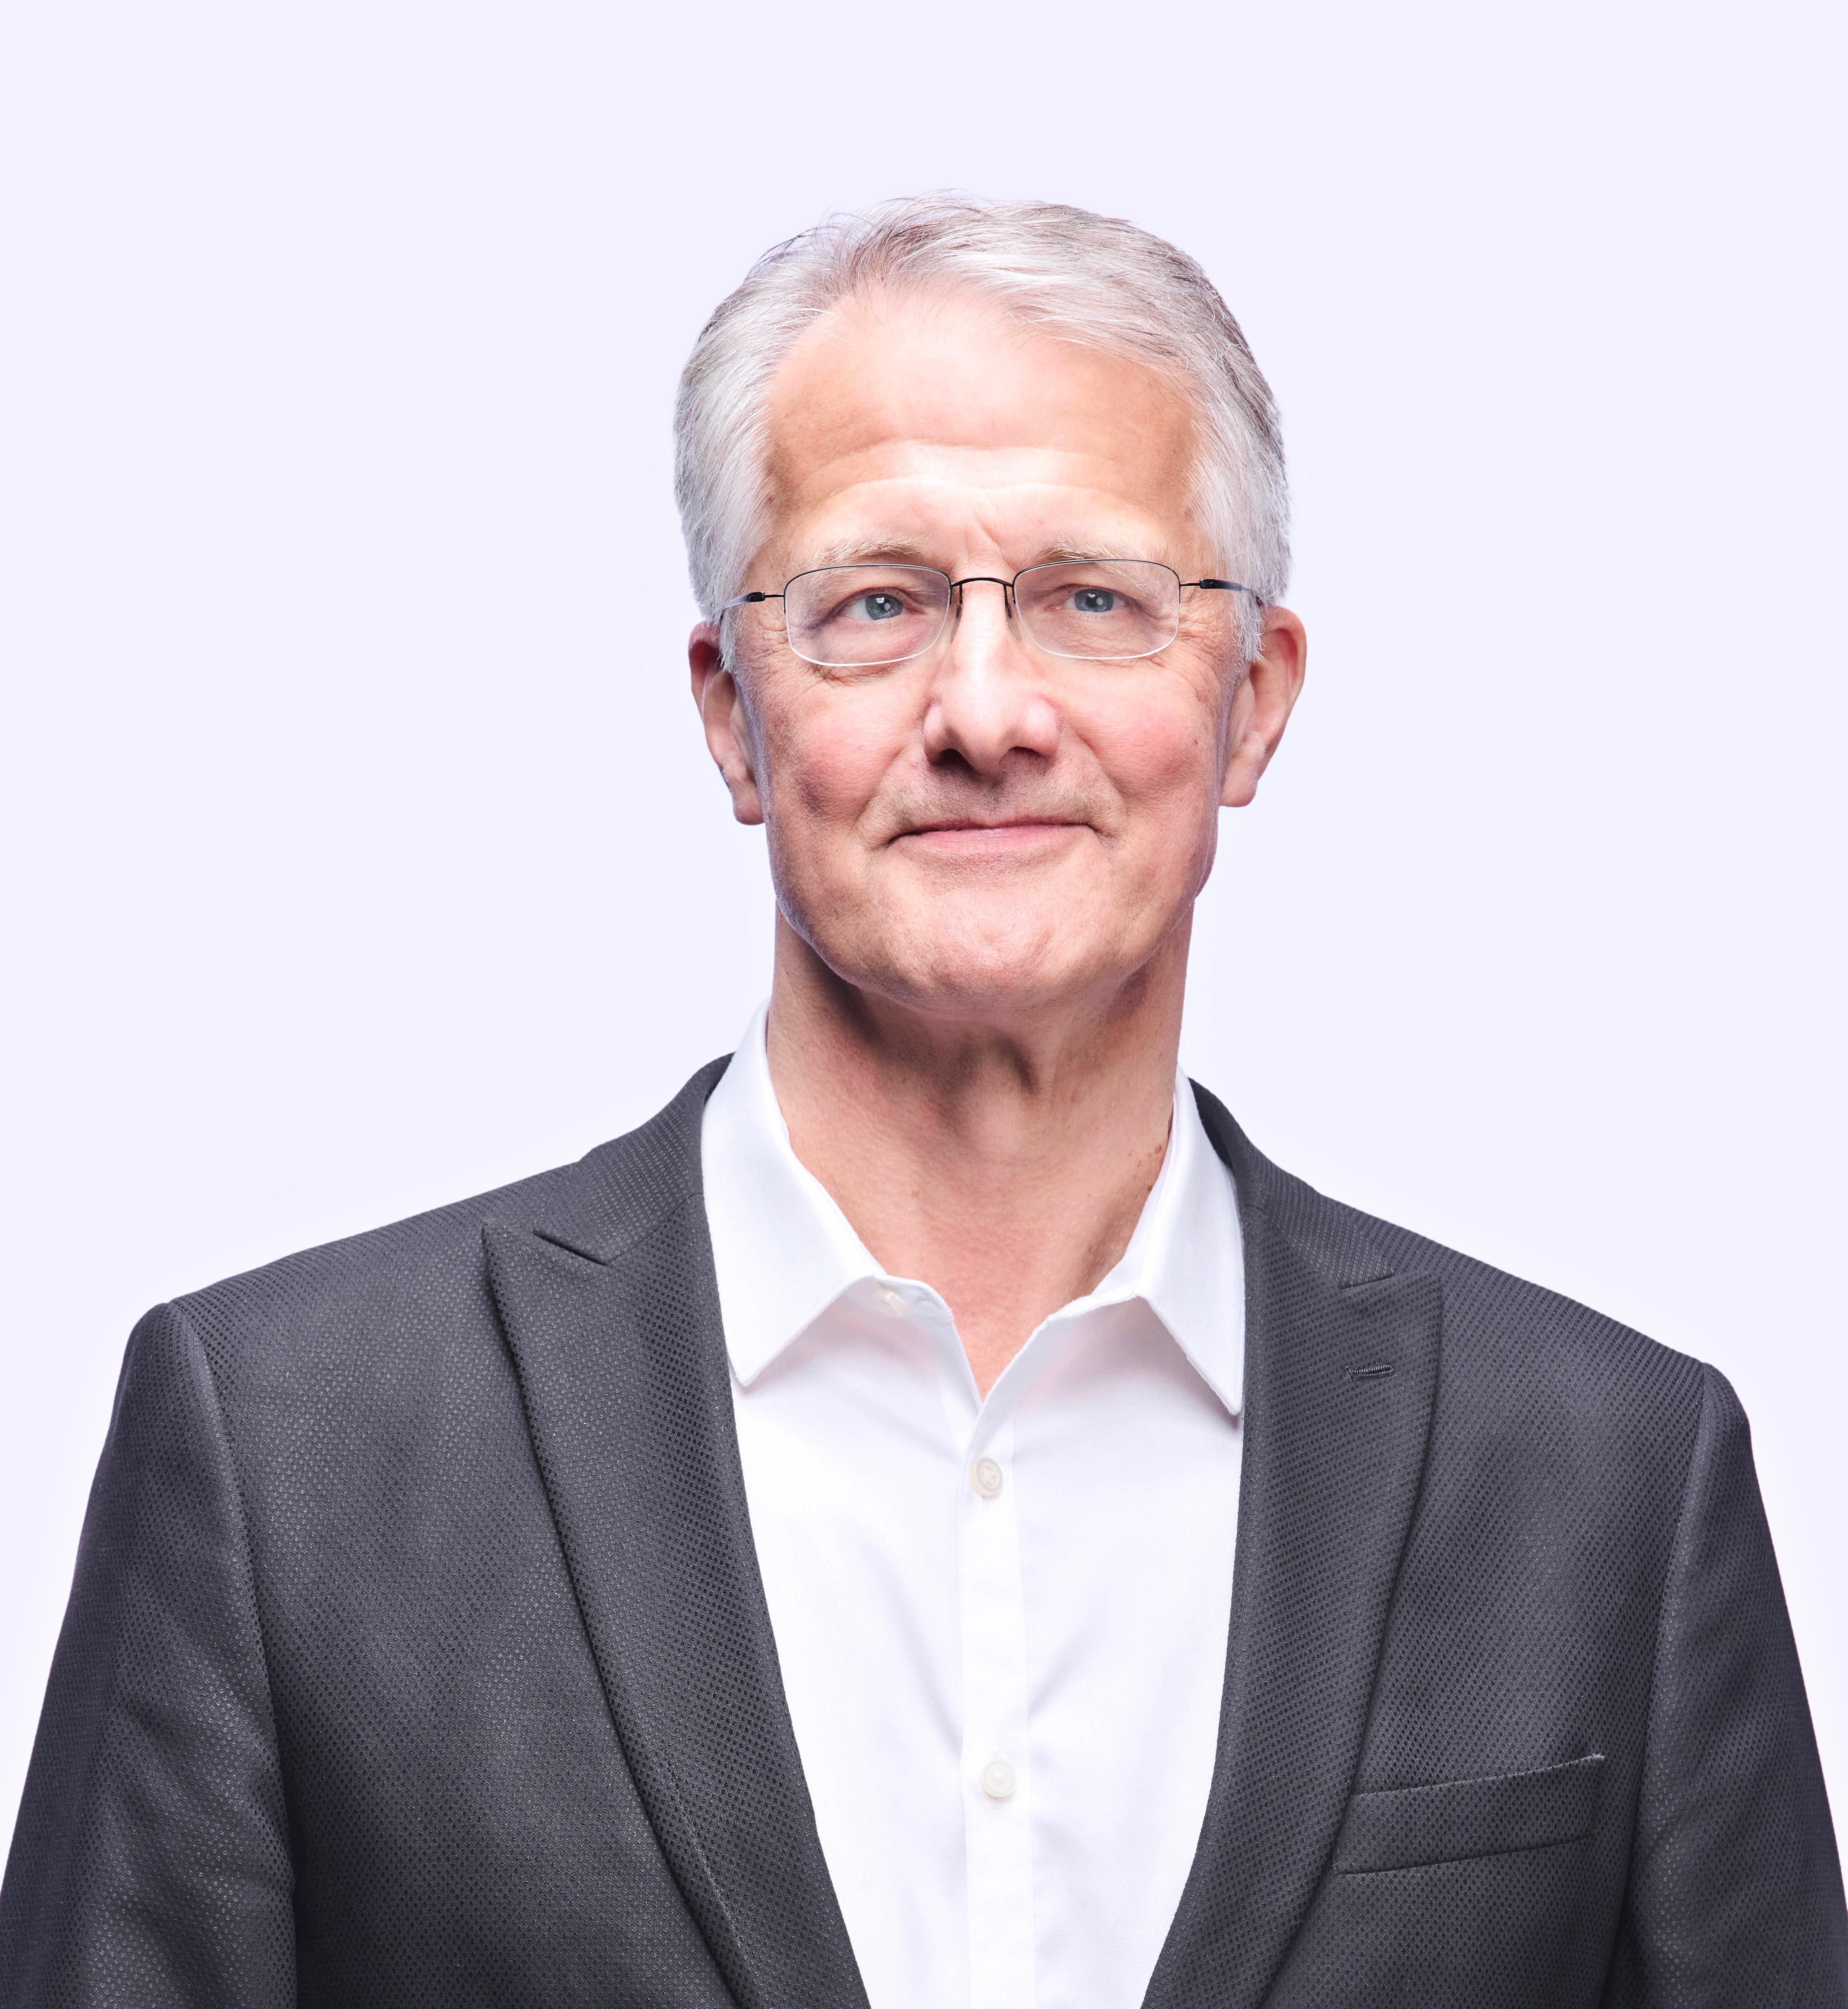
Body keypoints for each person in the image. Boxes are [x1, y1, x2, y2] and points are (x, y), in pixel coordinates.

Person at [1, 194, 1842, 2009]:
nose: (984, 710)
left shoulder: (1612, 1474)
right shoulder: (281, 1452)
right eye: (873, 604)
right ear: (729, 710)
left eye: (1092, 599)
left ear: (1253, 701)